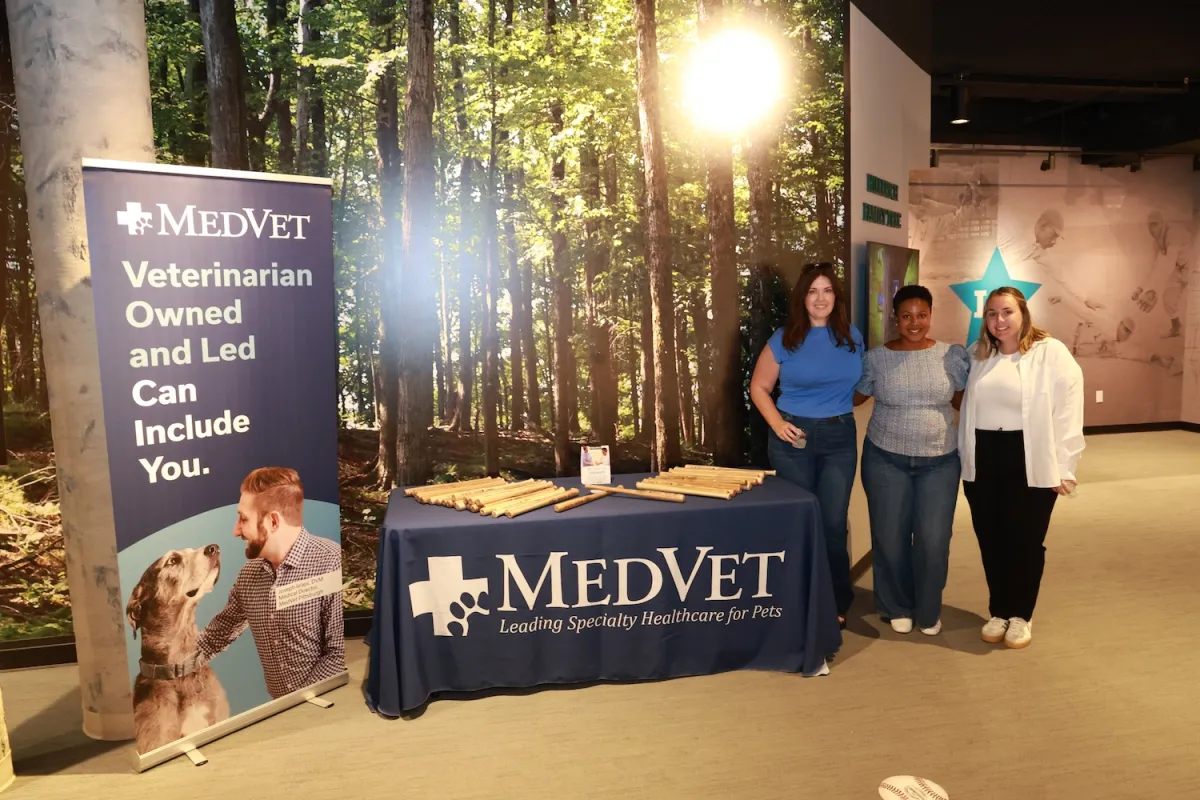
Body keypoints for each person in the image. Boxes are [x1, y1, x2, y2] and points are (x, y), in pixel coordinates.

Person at [959, 287, 1084, 649]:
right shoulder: (979, 354)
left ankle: (1021, 615)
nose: (1000, 321)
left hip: (1029, 458)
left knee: (1025, 540)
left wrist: (1066, 465)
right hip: (983, 457)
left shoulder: (1049, 352)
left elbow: (1069, 408)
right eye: (993, 313)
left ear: (1023, 313)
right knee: (991, 538)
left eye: (1007, 312)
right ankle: (999, 610)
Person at [750, 263, 863, 627]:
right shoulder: (784, 339)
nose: (820, 298)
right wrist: (779, 424)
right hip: (792, 439)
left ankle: (836, 600)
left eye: (827, 290)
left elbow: (859, 386)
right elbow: (759, 388)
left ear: (836, 297)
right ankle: (796, 597)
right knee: (800, 519)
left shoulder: (852, 337)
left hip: (839, 437)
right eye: (813, 291)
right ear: (803, 298)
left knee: (832, 522)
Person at [853, 285, 969, 636]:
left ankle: (928, 609)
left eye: (921, 315)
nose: (914, 323)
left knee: (934, 539)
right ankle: (896, 605)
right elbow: (855, 399)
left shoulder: (952, 356)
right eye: (906, 316)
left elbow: (967, 403)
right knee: (890, 537)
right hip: (886, 458)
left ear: (931, 315)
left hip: (940, 461)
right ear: (895, 318)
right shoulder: (876, 358)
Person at [198, 467, 346, 698]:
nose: (235, 531)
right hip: (281, 712)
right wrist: (167, 668)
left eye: (243, 519)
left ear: (273, 522)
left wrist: (295, 706)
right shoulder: (249, 576)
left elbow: (338, 654)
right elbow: (214, 637)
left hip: (327, 705)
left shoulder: (331, 561)